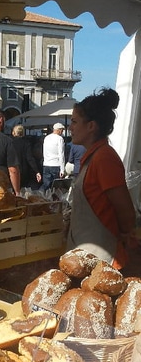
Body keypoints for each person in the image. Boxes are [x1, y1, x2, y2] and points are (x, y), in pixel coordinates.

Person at [67, 87, 136, 269]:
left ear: (91, 126)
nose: (70, 127)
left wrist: (122, 235)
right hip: (88, 254)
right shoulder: (93, 156)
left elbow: (126, 212)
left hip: (104, 258)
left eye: (74, 122)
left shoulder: (104, 158)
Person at [11, 124, 41, 188]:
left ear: (13, 132)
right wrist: (37, 171)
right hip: (24, 170)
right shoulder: (26, 143)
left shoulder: (10, 143)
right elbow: (30, 158)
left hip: (13, 169)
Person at [41, 122, 65, 191]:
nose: (62, 132)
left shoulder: (46, 138)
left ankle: (42, 197)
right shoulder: (60, 139)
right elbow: (61, 154)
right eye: (62, 130)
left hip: (46, 164)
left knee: (46, 186)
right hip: (56, 164)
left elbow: (44, 151)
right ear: (59, 130)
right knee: (55, 188)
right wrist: (62, 169)